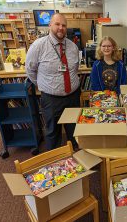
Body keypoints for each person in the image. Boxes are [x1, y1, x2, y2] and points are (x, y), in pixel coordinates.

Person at [26, 13, 80, 150]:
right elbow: (30, 70)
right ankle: (56, 165)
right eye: (57, 24)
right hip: (51, 100)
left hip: (73, 97)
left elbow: (75, 68)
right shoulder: (38, 46)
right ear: (50, 25)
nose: (61, 28)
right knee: (52, 133)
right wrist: (45, 86)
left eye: (64, 25)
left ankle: (76, 162)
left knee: (74, 131)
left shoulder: (73, 46)